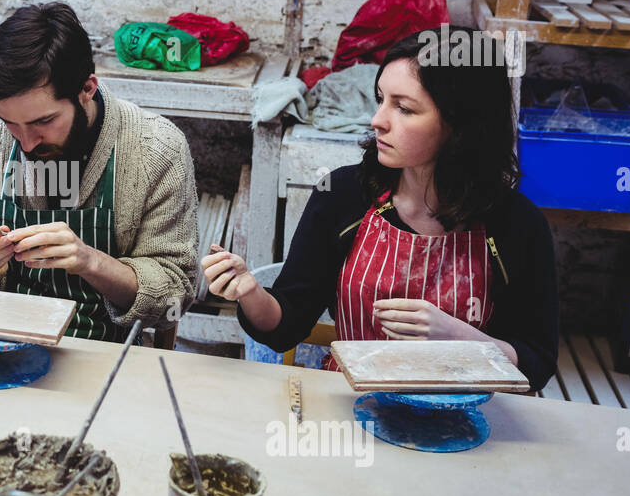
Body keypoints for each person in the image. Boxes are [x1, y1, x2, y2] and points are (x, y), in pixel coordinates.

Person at [203, 27, 558, 390]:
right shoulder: (343, 194)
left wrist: (457, 335)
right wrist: (249, 292)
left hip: (462, 417)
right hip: (354, 407)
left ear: (461, 125)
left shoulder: (517, 224)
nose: (378, 120)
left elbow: (537, 364)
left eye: (403, 108)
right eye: (380, 99)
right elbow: (286, 327)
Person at [0, 3, 200, 341]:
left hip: (108, 354)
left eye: (43, 122)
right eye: (10, 124)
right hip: (5, 344)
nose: (27, 143)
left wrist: (90, 261)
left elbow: (174, 295)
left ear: (87, 88)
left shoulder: (156, 149)